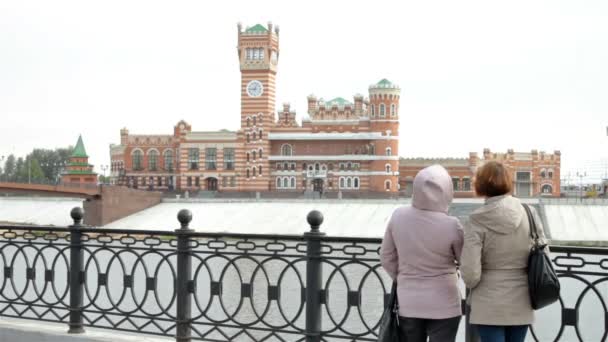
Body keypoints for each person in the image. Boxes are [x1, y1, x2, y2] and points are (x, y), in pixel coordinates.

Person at [460, 161, 548, 342]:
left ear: (480, 185)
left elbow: (470, 275)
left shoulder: (476, 220)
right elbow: (545, 254)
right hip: (522, 298)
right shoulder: (529, 212)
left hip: (488, 302)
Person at [380, 165, 464, 342]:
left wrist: (403, 277)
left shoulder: (398, 216)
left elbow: (386, 257)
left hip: (409, 302)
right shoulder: (452, 225)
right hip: (445, 303)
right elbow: (465, 261)